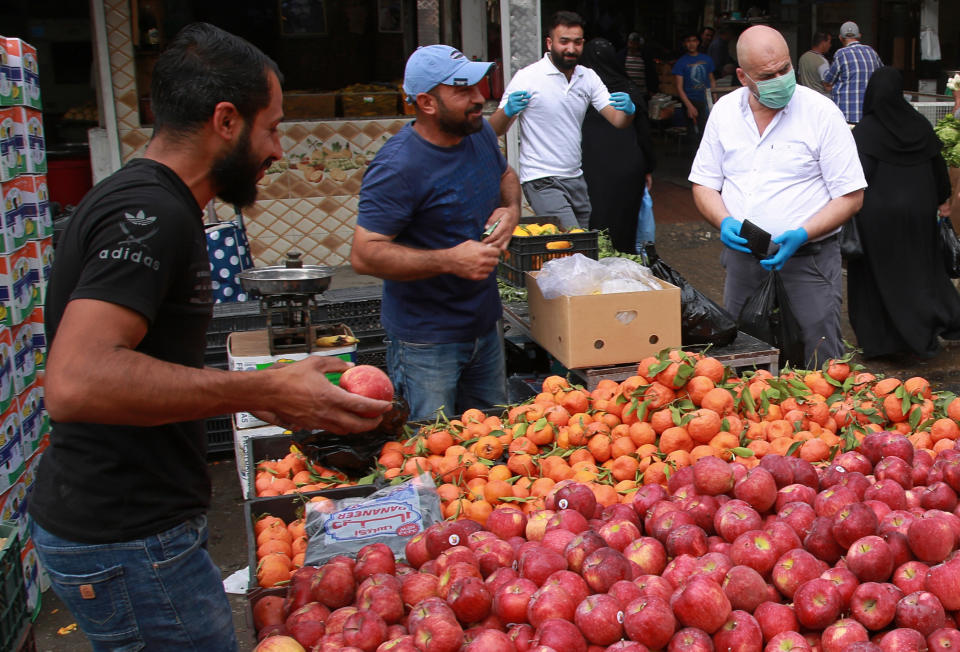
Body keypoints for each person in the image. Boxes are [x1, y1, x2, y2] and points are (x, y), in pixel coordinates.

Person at [27, 23, 391, 652]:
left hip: (131, 528)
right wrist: (255, 387)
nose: (277, 150)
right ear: (226, 121)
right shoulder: (152, 215)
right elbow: (76, 380)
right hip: (129, 537)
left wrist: (260, 393)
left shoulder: (145, 200)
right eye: (271, 127)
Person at [350, 45, 521, 422]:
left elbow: (506, 176)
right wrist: (449, 259)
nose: (480, 98)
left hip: (485, 327)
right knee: (430, 455)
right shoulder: (398, 166)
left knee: (493, 447)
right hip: (426, 343)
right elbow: (364, 254)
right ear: (427, 102)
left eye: (479, 87)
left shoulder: (476, 134)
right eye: (463, 91)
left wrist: (511, 211)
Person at [689, 25, 866, 367]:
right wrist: (723, 220)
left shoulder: (821, 113)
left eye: (785, 69)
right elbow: (704, 184)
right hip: (744, 257)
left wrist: (802, 233)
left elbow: (851, 195)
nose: (781, 79)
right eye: (768, 75)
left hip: (809, 259)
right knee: (740, 349)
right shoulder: (726, 112)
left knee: (821, 351)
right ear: (743, 76)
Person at [847, 67, 960, 358]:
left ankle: (881, 341)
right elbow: (938, 171)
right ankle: (922, 331)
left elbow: (858, 176)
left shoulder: (866, 132)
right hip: (920, 215)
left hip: (877, 218)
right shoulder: (919, 124)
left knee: (877, 277)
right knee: (919, 271)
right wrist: (942, 201)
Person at [489, 10, 636, 229]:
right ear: (549, 43)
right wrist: (508, 111)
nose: (571, 49)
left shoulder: (588, 77)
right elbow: (494, 130)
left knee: (577, 249)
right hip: (541, 179)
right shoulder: (528, 77)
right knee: (572, 242)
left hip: (576, 177)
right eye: (564, 42)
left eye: (577, 42)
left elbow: (618, 121)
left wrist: (629, 111)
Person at [580, 38, 656, 253]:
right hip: (628, 167)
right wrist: (648, 167)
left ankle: (596, 260)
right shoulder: (627, 89)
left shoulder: (582, 91)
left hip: (591, 165)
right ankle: (625, 263)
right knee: (625, 219)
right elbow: (644, 135)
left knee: (597, 216)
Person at [823, 21, 882, 124]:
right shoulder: (872, 52)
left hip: (846, 114)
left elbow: (827, 81)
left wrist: (833, 87)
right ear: (859, 36)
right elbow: (883, 76)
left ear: (840, 38)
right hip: (869, 115)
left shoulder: (841, 54)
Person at [672, 33, 716, 136]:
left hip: (706, 100)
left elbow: (712, 80)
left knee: (709, 131)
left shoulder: (707, 59)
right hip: (691, 100)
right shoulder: (681, 62)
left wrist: (714, 99)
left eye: (694, 41)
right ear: (684, 44)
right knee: (693, 134)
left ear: (698, 42)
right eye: (688, 41)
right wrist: (689, 106)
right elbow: (679, 87)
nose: (691, 44)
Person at [619, 32, 659, 98]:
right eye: (631, 43)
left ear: (638, 44)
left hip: (642, 93)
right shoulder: (621, 56)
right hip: (626, 93)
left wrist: (652, 89)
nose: (632, 46)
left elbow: (651, 73)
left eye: (635, 43)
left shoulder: (645, 56)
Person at [797, 31, 832, 96]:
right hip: (821, 99)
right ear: (823, 43)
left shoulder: (803, 58)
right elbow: (827, 87)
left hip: (806, 98)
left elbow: (800, 79)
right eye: (829, 42)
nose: (830, 45)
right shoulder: (822, 62)